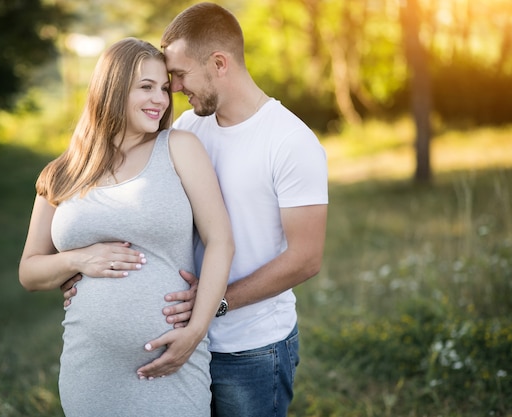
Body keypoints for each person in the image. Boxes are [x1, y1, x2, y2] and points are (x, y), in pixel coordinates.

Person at [64, 3, 328, 416]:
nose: (174, 89)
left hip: (251, 348)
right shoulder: (188, 129)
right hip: (182, 346)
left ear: (219, 63)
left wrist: (214, 304)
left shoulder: (290, 141)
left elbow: (306, 259)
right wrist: (86, 272)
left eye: (180, 75)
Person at [19, 37, 234, 417]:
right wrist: (79, 259)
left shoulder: (179, 148)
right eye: (146, 87)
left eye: (164, 88)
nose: (161, 99)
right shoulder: (62, 173)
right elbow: (30, 271)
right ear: (113, 89)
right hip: (90, 373)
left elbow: (220, 241)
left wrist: (195, 332)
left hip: (173, 365)